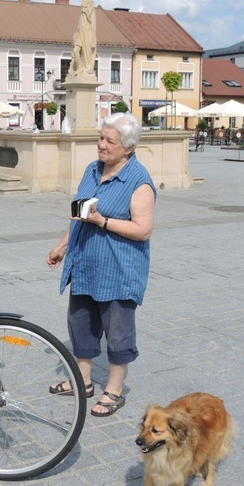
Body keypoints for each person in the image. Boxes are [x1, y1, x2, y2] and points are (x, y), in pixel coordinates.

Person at [47, 112, 156, 418]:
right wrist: (61, 246)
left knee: (118, 331)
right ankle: (82, 383)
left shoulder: (139, 181)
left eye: (110, 141)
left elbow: (143, 230)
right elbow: (80, 214)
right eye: (101, 138)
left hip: (118, 271)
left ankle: (115, 390)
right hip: (85, 265)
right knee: (81, 325)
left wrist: (103, 221)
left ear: (128, 148)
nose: (102, 145)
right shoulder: (92, 170)